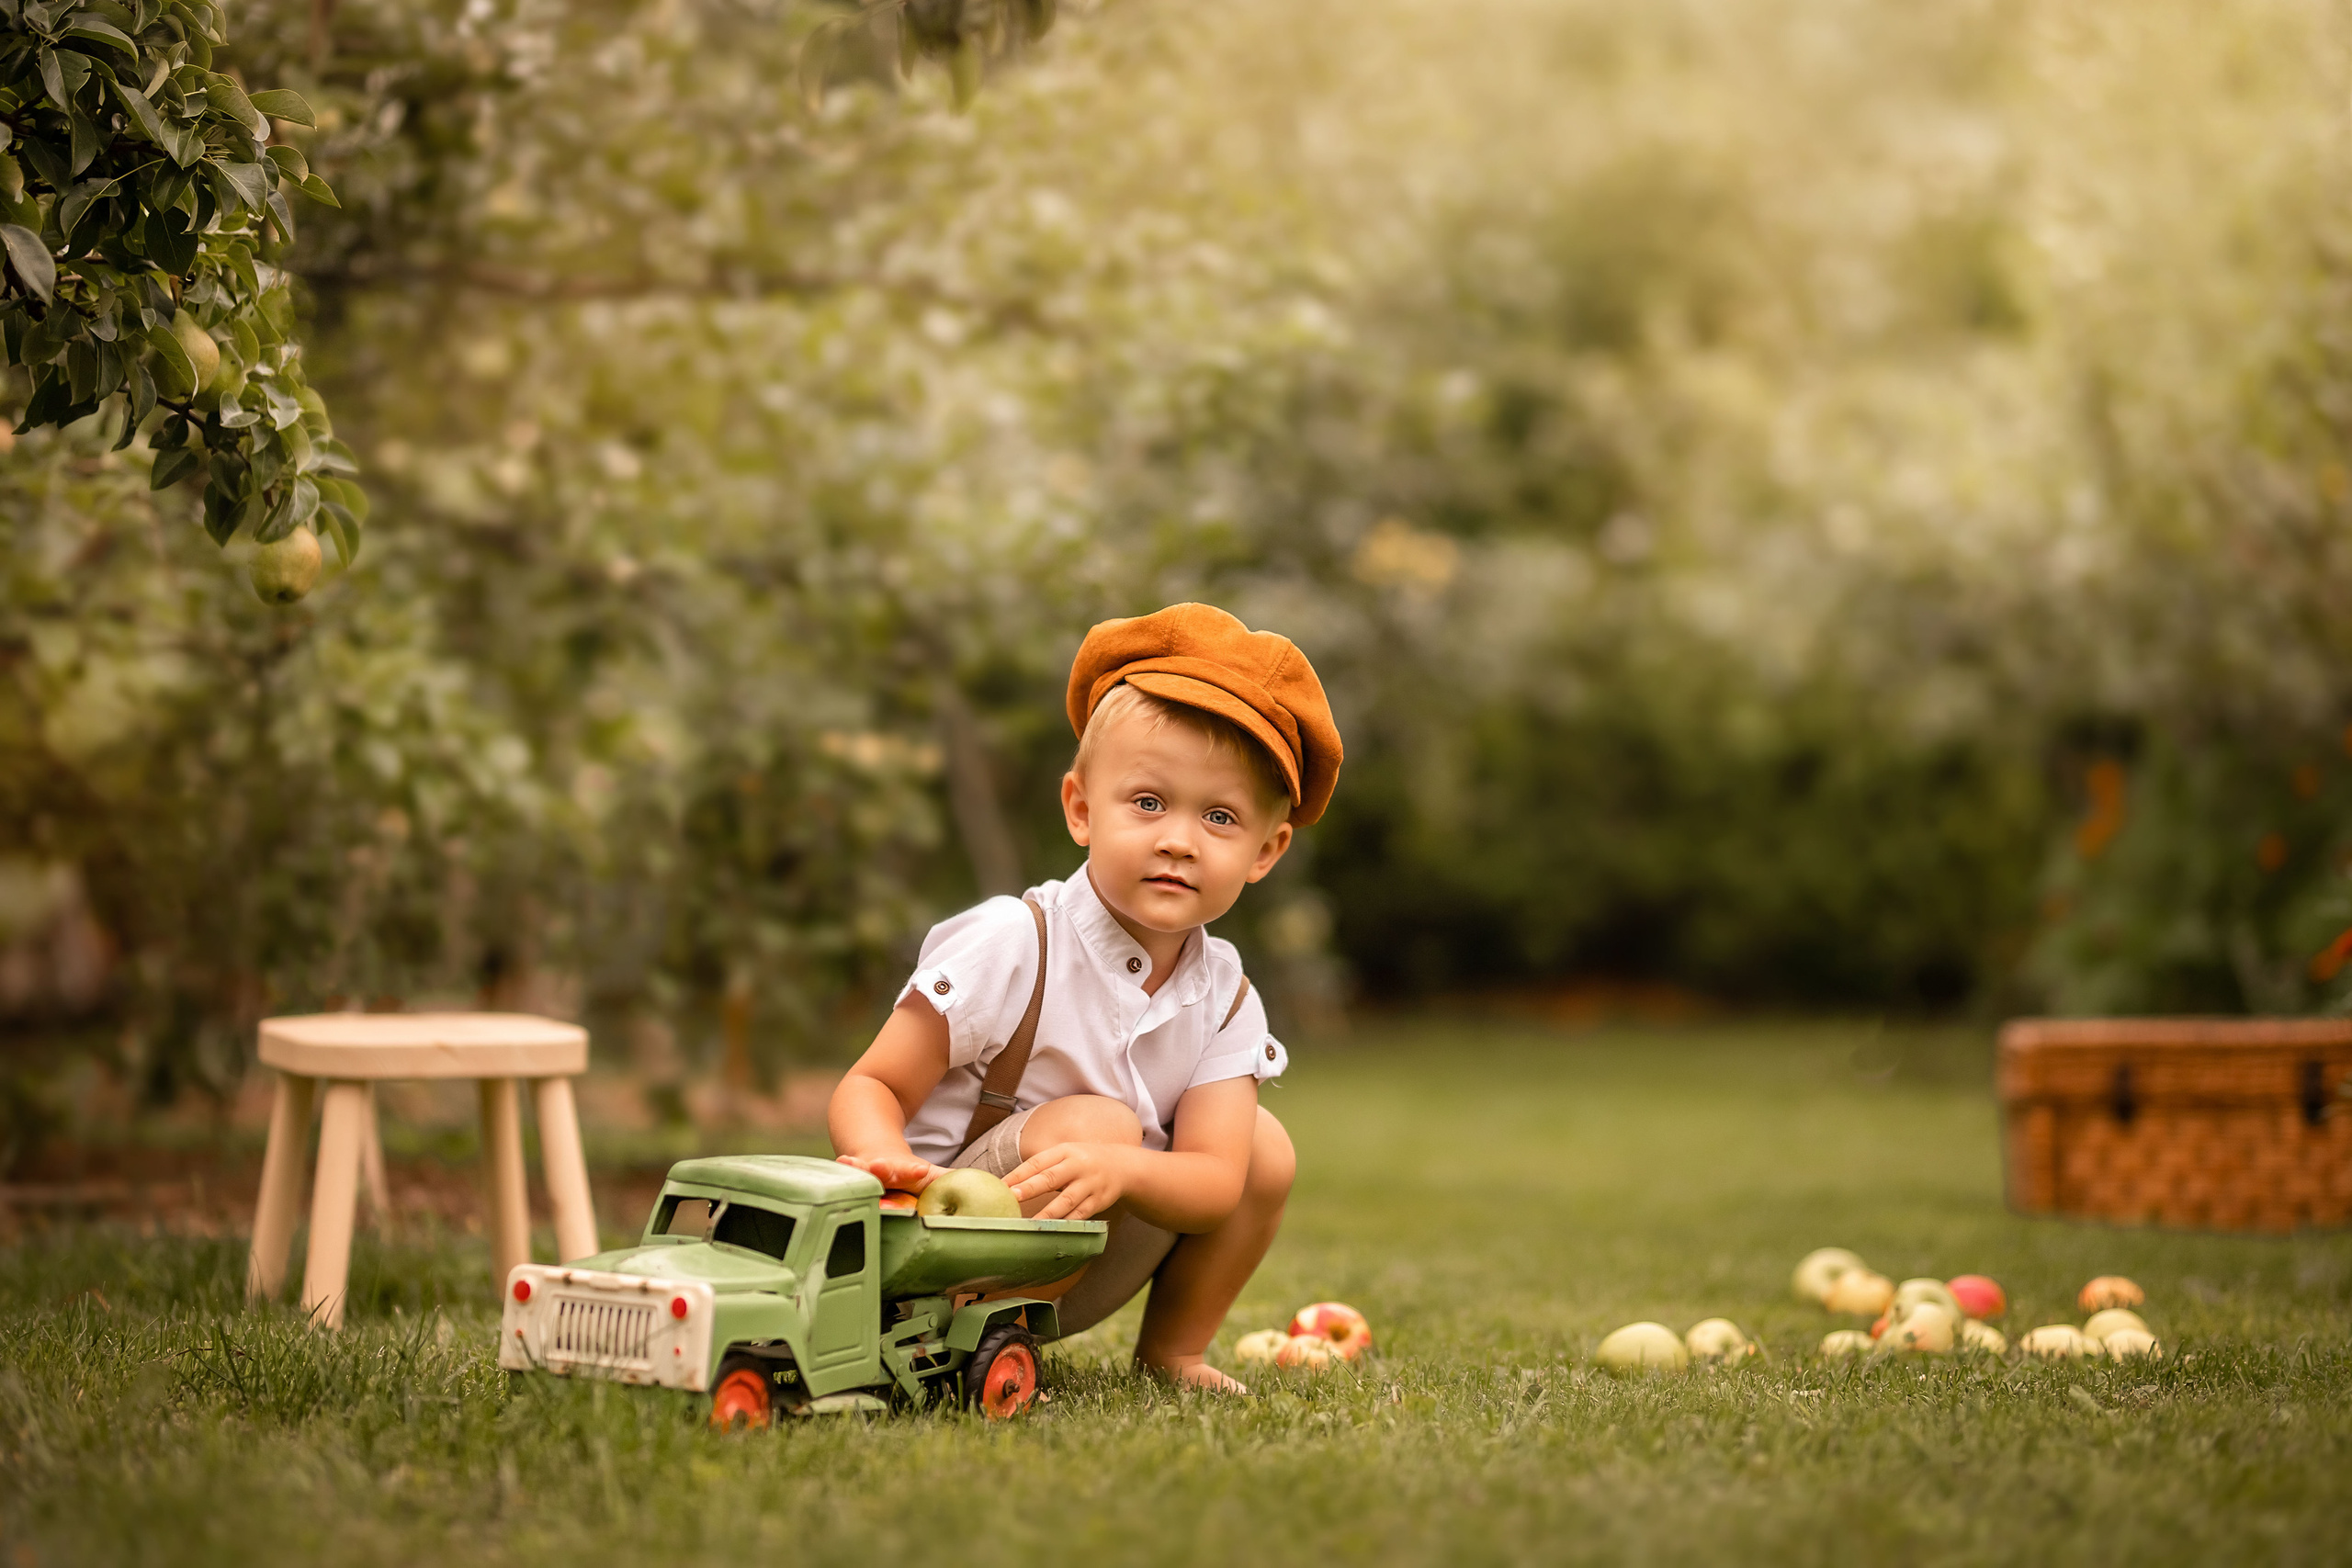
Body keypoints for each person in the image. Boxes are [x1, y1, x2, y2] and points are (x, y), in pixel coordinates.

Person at [828, 602, 1343, 1393]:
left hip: (1072, 1256)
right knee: (1103, 1121)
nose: (1178, 838)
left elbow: (1213, 1182)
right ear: (1080, 809)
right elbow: (874, 1084)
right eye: (1147, 802)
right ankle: (932, 1344)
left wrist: (1124, 1170)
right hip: (933, 1245)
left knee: (1260, 1149)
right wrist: (888, 1172)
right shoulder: (1016, 940)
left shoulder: (1226, 995)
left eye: (1219, 816)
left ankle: (1171, 1352)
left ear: (1264, 852)